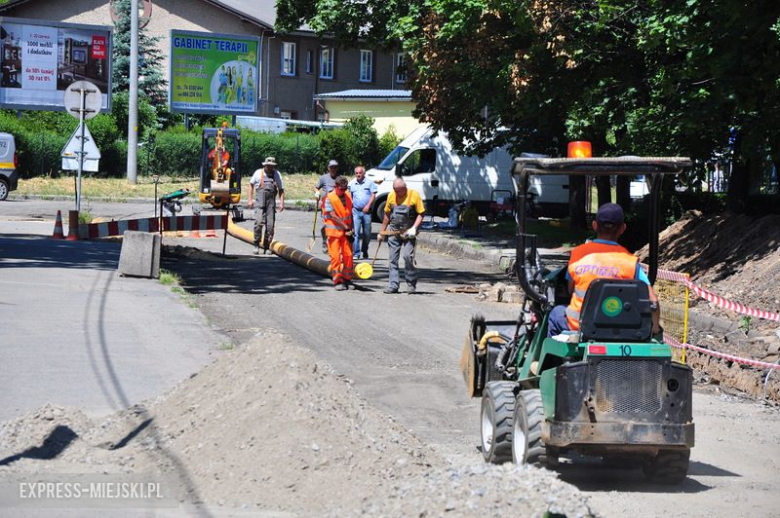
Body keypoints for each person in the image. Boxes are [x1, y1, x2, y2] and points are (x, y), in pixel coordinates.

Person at [547, 203, 660, 337]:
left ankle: (551, 358)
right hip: (621, 330)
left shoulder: (578, 255)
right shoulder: (630, 262)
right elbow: (653, 301)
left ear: (594, 225)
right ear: (623, 229)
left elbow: (571, 289)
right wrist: (655, 329)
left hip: (580, 327)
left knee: (556, 313)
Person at [379, 178, 425, 294]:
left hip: (409, 232)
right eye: (395, 190)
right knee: (392, 259)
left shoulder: (414, 195)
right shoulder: (391, 196)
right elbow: (387, 214)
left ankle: (411, 283)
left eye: (399, 191)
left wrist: (414, 228)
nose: (397, 193)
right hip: (394, 231)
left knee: (407, 257)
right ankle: (393, 285)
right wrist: (382, 232)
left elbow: (421, 213)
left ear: (404, 188)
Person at [322, 176, 355, 290]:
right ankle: (337, 280)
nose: (343, 191)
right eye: (341, 189)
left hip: (346, 232)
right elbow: (332, 215)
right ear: (335, 187)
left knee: (348, 255)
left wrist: (352, 228)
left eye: (345, 189)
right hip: (334, 233)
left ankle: (347, 279)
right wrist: (346, 226)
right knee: (335, 257)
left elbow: (350, 214)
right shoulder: (329, 198)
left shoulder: (348, 195)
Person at [248, 156, 285, 254]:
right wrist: (250, 200)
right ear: (265, 165)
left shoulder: (277, 174)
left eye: (271, 166)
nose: (270, 168)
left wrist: (281, 203)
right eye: (268, 166)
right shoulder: (258, 173)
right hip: (260, 203)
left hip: (271, 205)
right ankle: (256, 244)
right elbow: (251, 186)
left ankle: (266, 245)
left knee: (270, 226)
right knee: (258, 223)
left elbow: (281, 190)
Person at [348, 165, 376, 259]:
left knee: (367, 233)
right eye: (356, 173)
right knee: (355, 232)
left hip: (366, 212)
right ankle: (356, 253)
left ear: (364, 173)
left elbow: (373, 195)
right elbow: (350, 197)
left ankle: (365, 250)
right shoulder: (352, 184)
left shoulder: (370, 183)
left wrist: (368, 206)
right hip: (356, 211)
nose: (358, 174)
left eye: (360, 173)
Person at [315, 159, 340, 253]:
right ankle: (325, 242)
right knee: (325, 226)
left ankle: (334, 246)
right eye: (331, 167)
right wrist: (317, 193)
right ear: (328, 168)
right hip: (326, 206)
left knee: (336, 226)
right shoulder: (324, 178)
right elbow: (317, 187)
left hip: (337, 206)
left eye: (335, 167)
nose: (333, 169)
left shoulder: (340, 178)